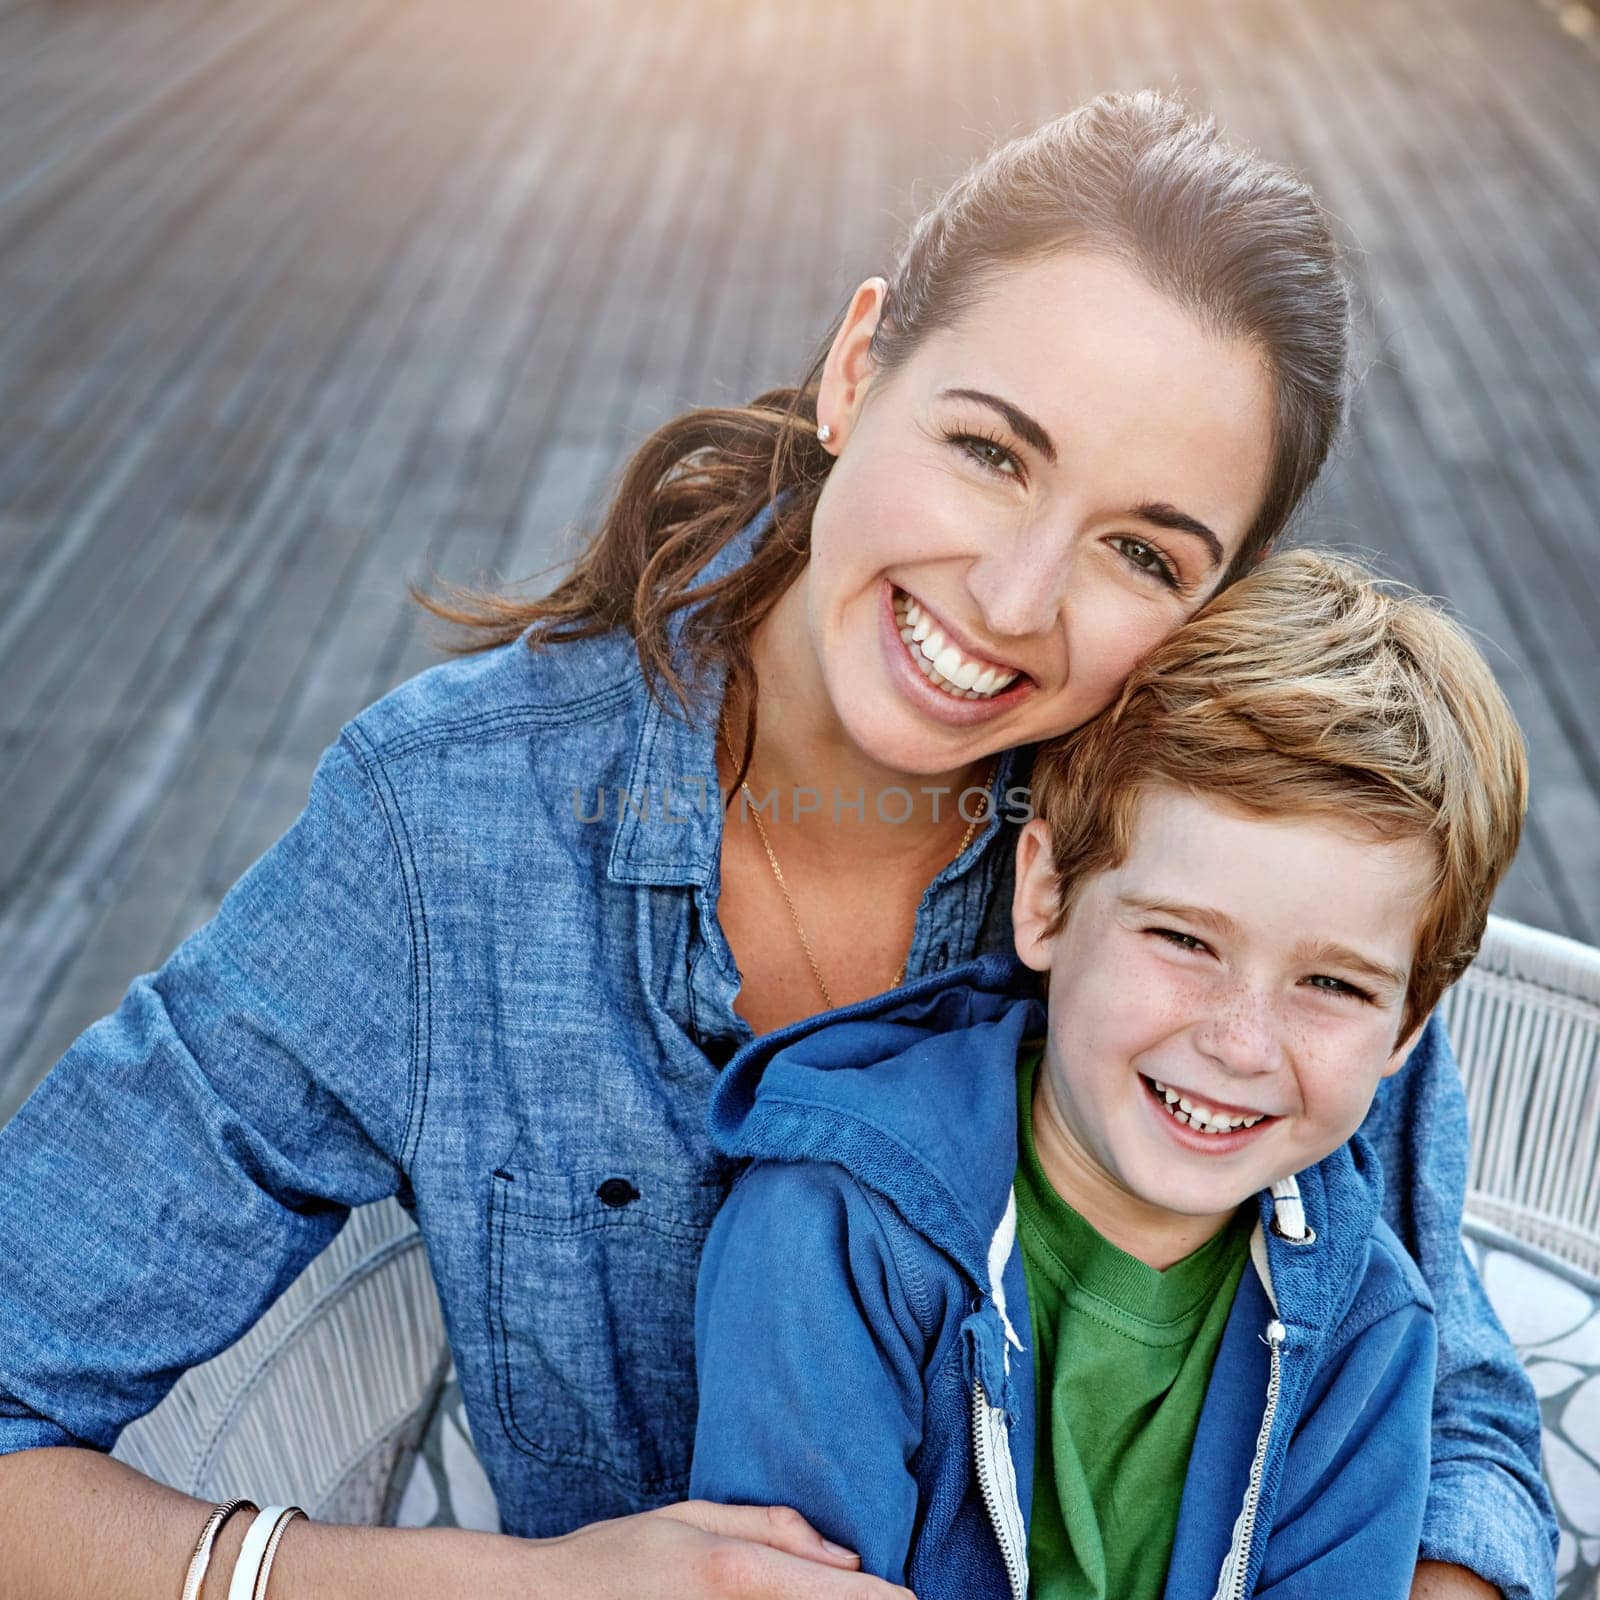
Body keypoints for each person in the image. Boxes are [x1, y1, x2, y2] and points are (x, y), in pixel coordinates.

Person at [0, 93, 1552, 1600]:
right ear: (858, 368)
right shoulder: (453, 832)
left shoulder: (1234, 856)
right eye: (992, 450)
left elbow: (1445, 1391)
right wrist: (520, 1590)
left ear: (1214, 600)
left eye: (1141, 549)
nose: (1013, 599)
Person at [689, 550, 1535, 1600]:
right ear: (1042, 897)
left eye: (1331, 984)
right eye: (1184, 939)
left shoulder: (1368, 1331)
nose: (1239, 1042)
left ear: (1408, 1029)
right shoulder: (837, 1231)